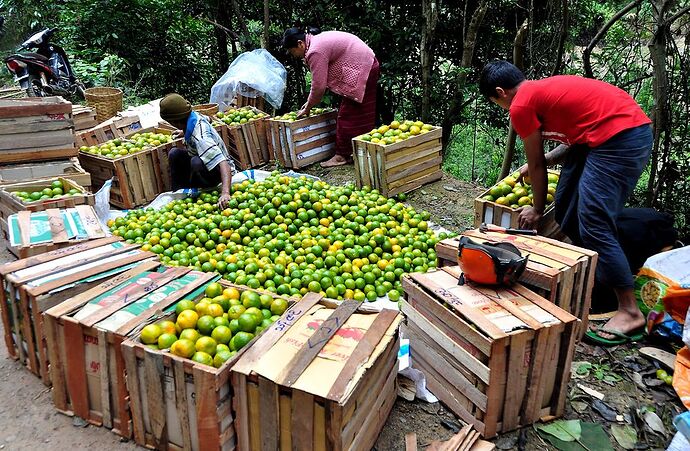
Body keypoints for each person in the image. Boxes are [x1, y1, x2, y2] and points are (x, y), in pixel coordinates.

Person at [479, 60, 653, 346]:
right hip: (601, 135)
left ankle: (629, 309)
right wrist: (547, 160)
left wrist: (535, 209)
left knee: (594, 218)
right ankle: (595, 276)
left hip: (621, 138)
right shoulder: (538, 89)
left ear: (501, 92)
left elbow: (535, 165)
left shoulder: (521, 104)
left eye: (495, 102)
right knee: (566, 206)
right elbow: (573, 136)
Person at [282, 26, 379, 168]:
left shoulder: (315, 50)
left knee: (346, 115)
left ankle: (341, 156)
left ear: (300, 44)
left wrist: (308, 107)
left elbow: (318, 87)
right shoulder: (314, 42)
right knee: (362, 111)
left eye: (292, 51)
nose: (294, 55)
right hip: (368, 64)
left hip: (363, 67)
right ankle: (362, 148)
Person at [159, 93, 235, 209]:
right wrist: (184, 132)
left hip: (220, 172)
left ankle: (203, 192)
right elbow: (208, 119)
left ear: (174, 122)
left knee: (196, 162)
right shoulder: (193, 116)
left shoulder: (201, 138)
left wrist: (225, 193)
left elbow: (224, 164)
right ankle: (180, 194)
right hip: (203, 159)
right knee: (174, 153)